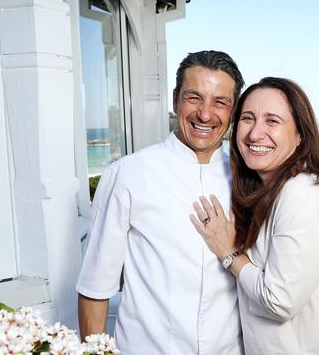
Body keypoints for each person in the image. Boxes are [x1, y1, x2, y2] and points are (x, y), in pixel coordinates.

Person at [76, 50, 245, 354]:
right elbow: (95, 288)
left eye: (220, 102)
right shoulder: (128, 174)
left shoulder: (247, 181)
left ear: (232, 112)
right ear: (175, 99)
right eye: (194, 98)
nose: (205, 114)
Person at [190, 77, 319, 354]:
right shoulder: (263, 191)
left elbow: (279, 301)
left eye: (272, 121)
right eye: (248, 118)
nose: (255, 133)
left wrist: (230, 253)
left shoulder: (302, 192)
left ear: (299, 136)